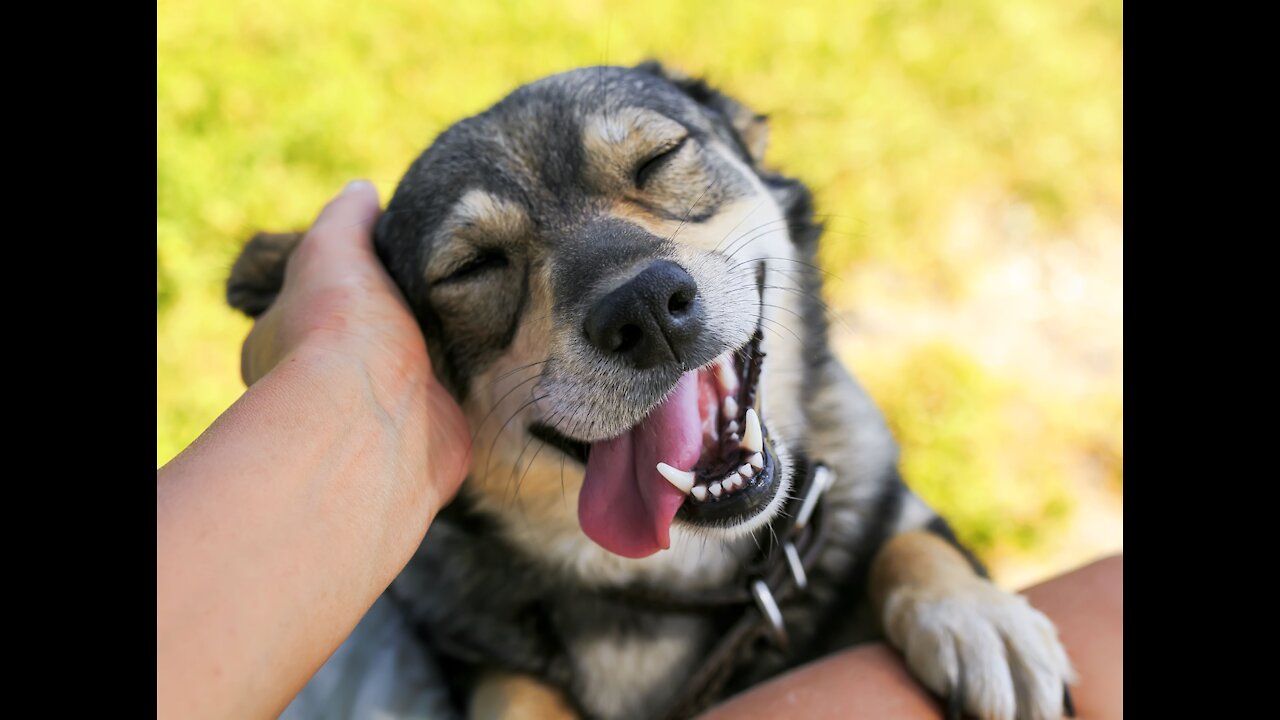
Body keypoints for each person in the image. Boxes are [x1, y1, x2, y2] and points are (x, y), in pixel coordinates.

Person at [157, 181, 1122, 720]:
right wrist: (343, 375)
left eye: (660, 167)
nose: (634, 288)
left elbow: (885, 523)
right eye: (479, 264)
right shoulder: (440, 585)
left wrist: (924, 574)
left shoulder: (841, 451)